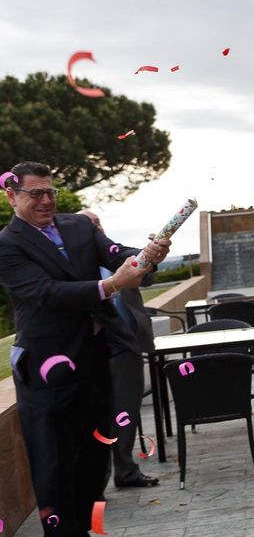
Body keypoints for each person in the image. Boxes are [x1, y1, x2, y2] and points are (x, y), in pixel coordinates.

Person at [0, 161, 170, 537]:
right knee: (54, 467)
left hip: (94, 364)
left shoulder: (78, 226)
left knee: (95, 460)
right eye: (35, 194)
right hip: (46, 376)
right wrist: (110, 287)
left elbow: (115, 253)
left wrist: (147, 254)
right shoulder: (6, 244)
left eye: (50, 192)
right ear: (12, 196)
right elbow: (45, 293)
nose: (46, 200)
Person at [80, 210, 160, 490]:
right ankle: (96, 484)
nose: (95, 228)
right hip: (95, 349)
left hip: (128, 344)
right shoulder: (76, 265)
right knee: (97, 417)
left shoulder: (120, 256)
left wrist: (151, 254)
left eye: (97, 222)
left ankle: (126, 471)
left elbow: (146, 278)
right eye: (88, 224)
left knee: (127, 410)